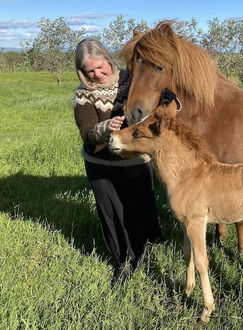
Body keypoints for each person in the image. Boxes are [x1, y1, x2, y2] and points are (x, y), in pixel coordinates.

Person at [73, 38, 163, 280]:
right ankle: (124, 261)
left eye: (100, 67)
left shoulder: (132, 80)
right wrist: (105, 128)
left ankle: (147, 247)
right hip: (102, 165)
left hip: (136, 161)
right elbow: (87, 132)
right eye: (89, 71)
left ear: (109, 60)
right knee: (113, 213)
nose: (97, 74)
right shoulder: (83, 94)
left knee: (142, 208)